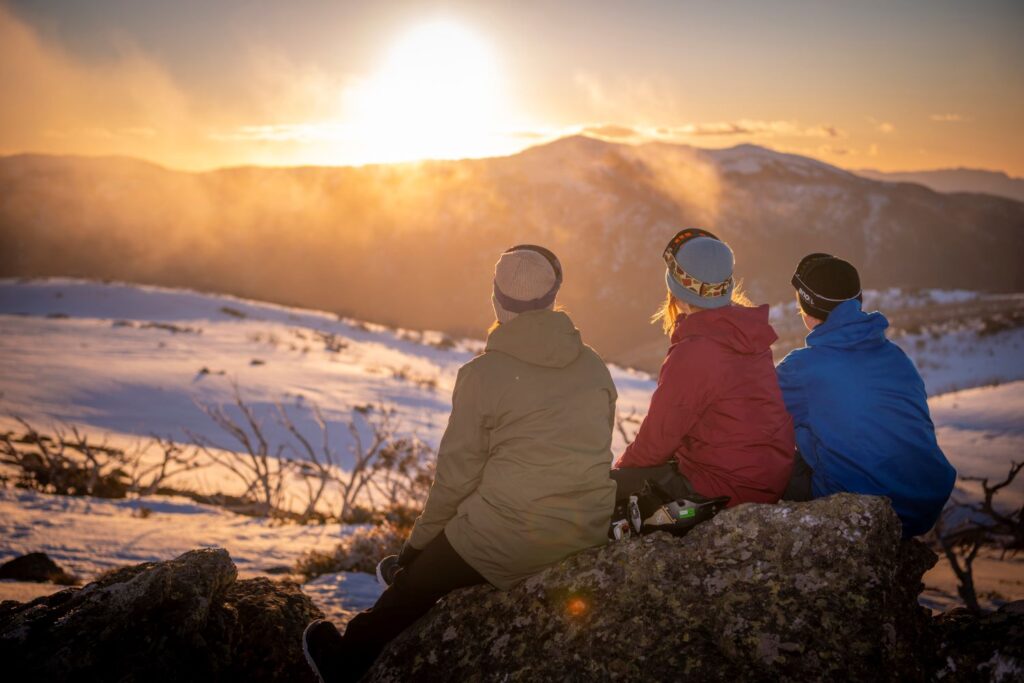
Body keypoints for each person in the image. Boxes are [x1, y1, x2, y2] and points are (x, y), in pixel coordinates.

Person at [303, 245, 618, 682]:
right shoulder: (594, 365)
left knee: (412, 586)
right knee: (449, 551)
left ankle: (343, 661)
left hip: (511, 538)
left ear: (496, 299)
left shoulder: (482, 374)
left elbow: (455, 479)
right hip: (585, 528)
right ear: (553, 298)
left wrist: (416, 548)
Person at [612, 228, 795, 508]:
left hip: (727, 486)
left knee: (606, 493)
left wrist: (619, 476)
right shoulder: (748, 334)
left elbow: (655, 443)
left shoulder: (694, 352)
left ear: (678, 291)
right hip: (768, 477)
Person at [776, 253, 956, 537]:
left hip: (859, 509)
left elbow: (755, 412)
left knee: (770, 457)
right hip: (921, 507)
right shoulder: (896, 356)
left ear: (807, 311)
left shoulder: (801, 368)